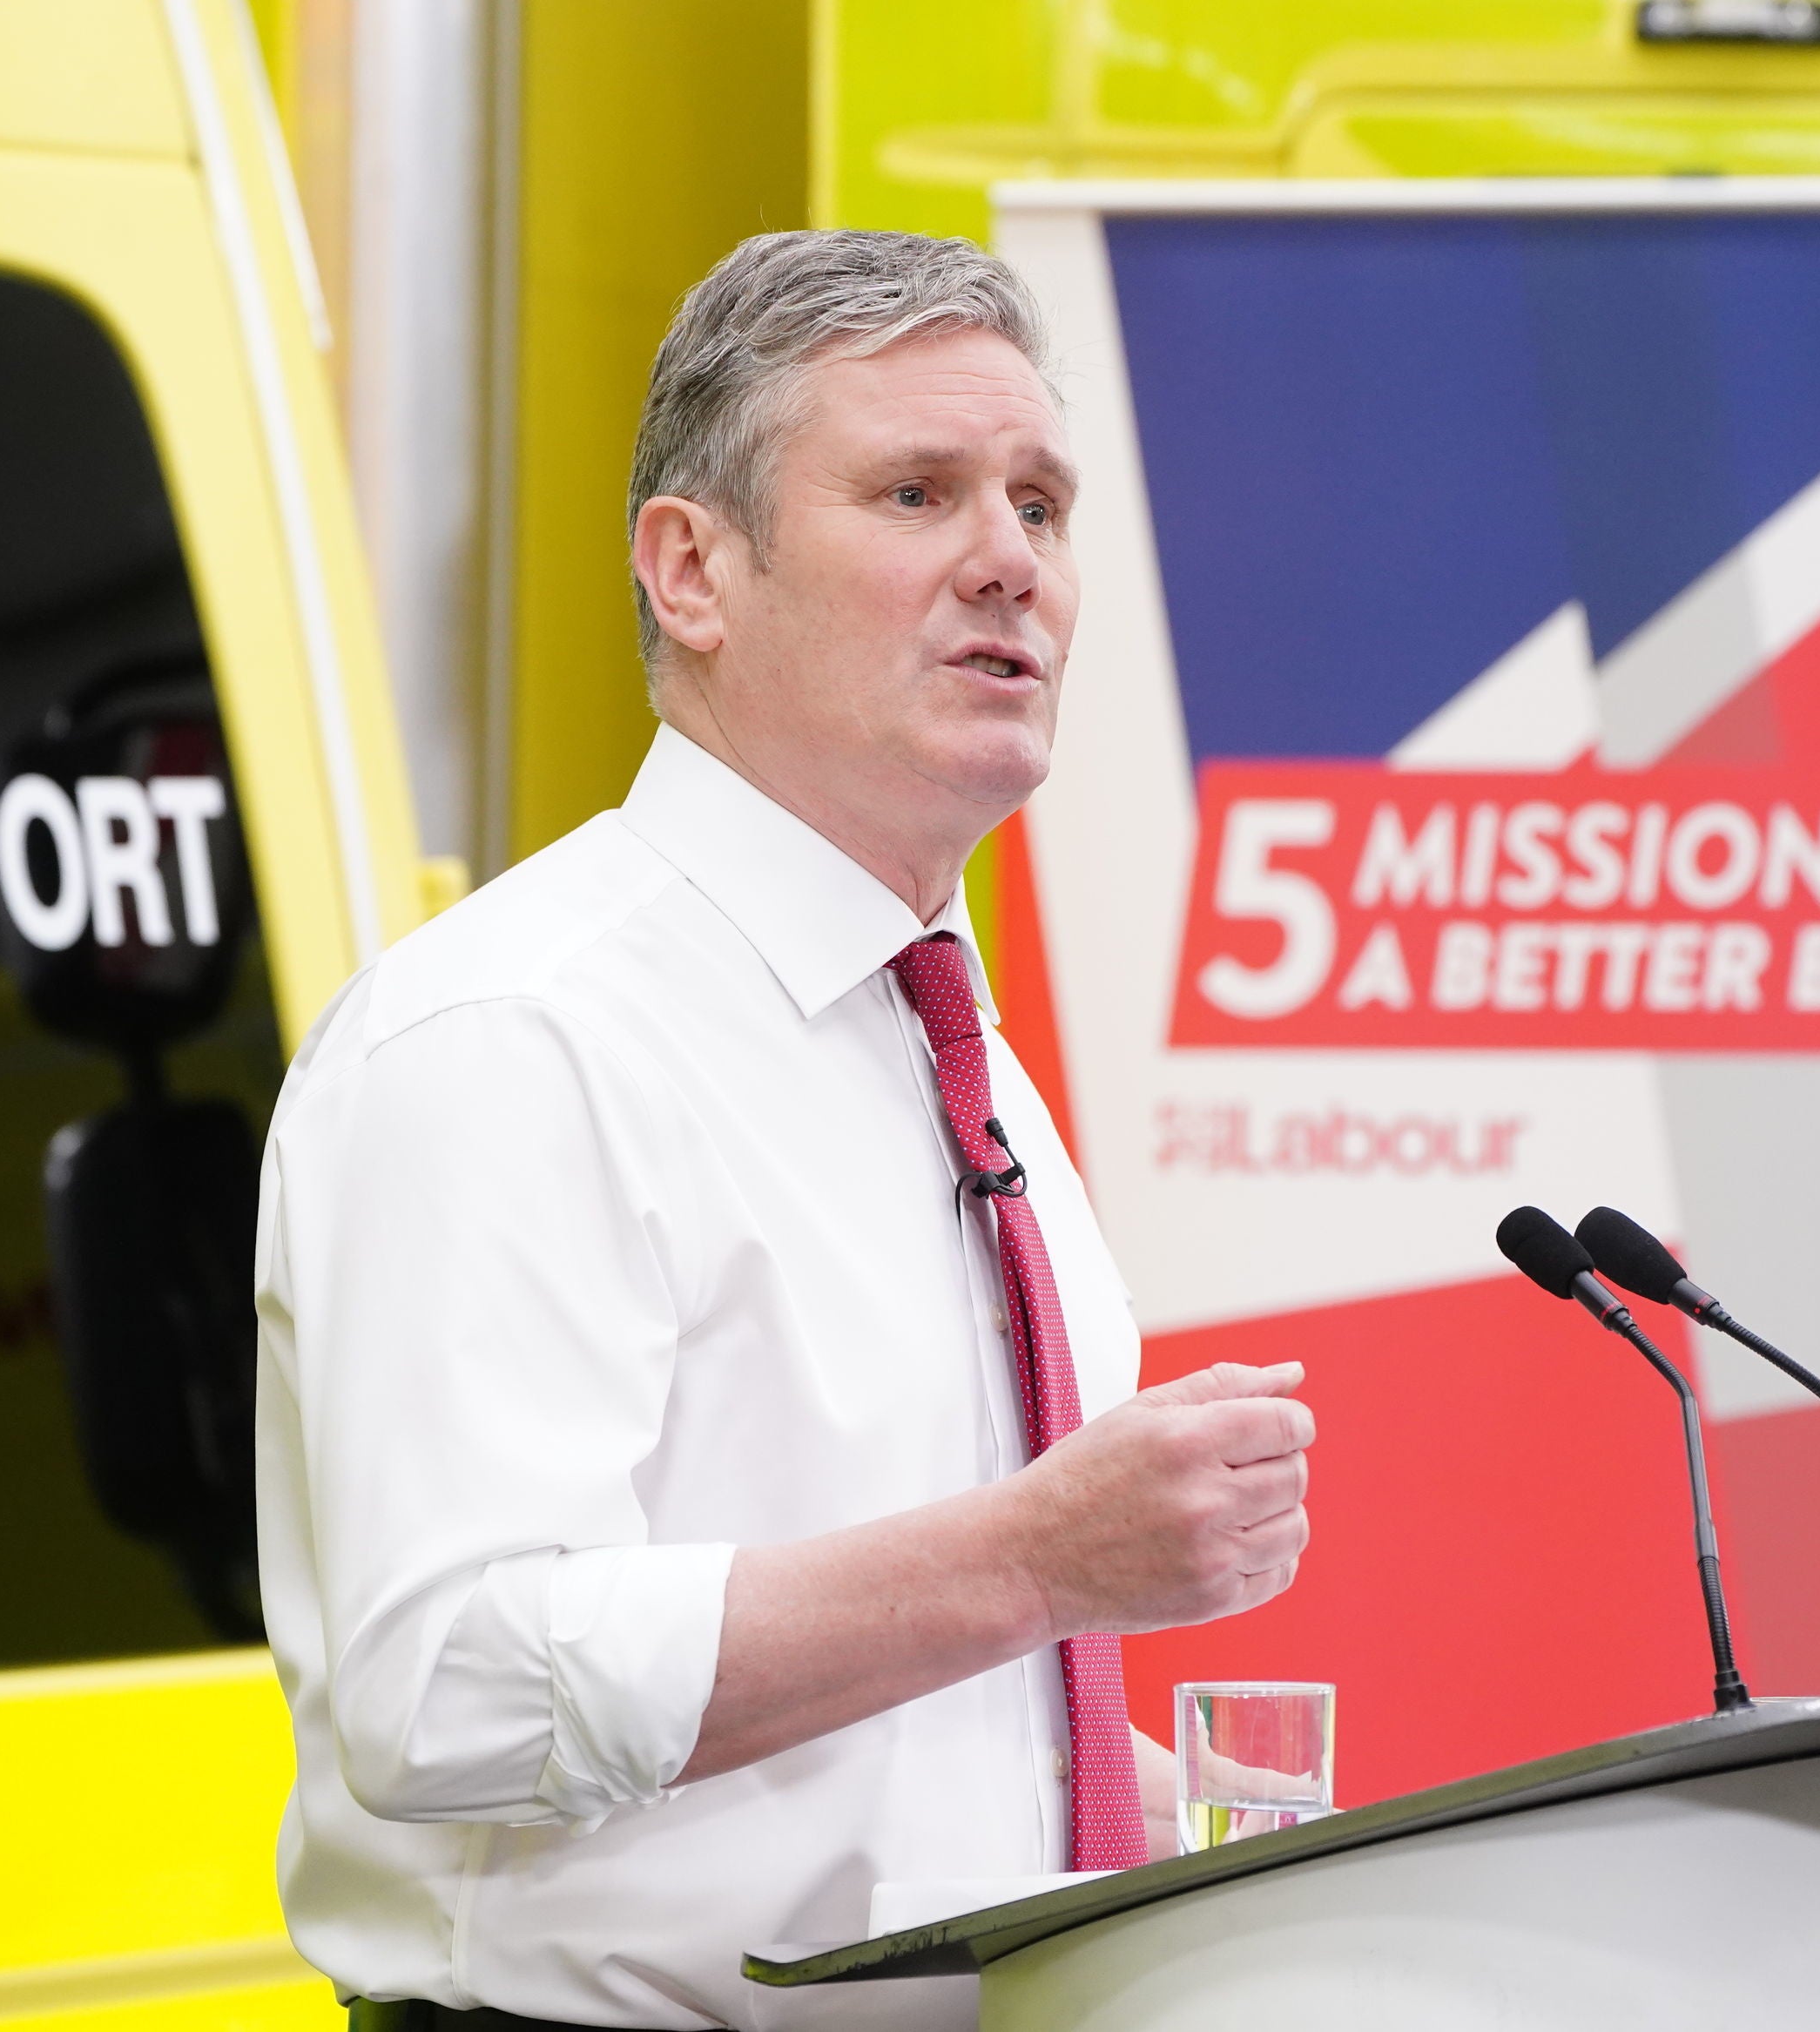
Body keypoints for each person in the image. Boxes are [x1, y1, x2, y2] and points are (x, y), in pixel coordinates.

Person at [253, 229, 1315, 2032]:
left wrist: (1210, 1839)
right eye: (919, 492)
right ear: (693, 570)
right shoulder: (520, 1035)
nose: (1011, 565)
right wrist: (1035, 1557)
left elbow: (901, 1730)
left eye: (1043, 507)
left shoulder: (934, 1034)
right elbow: (445, 1688)